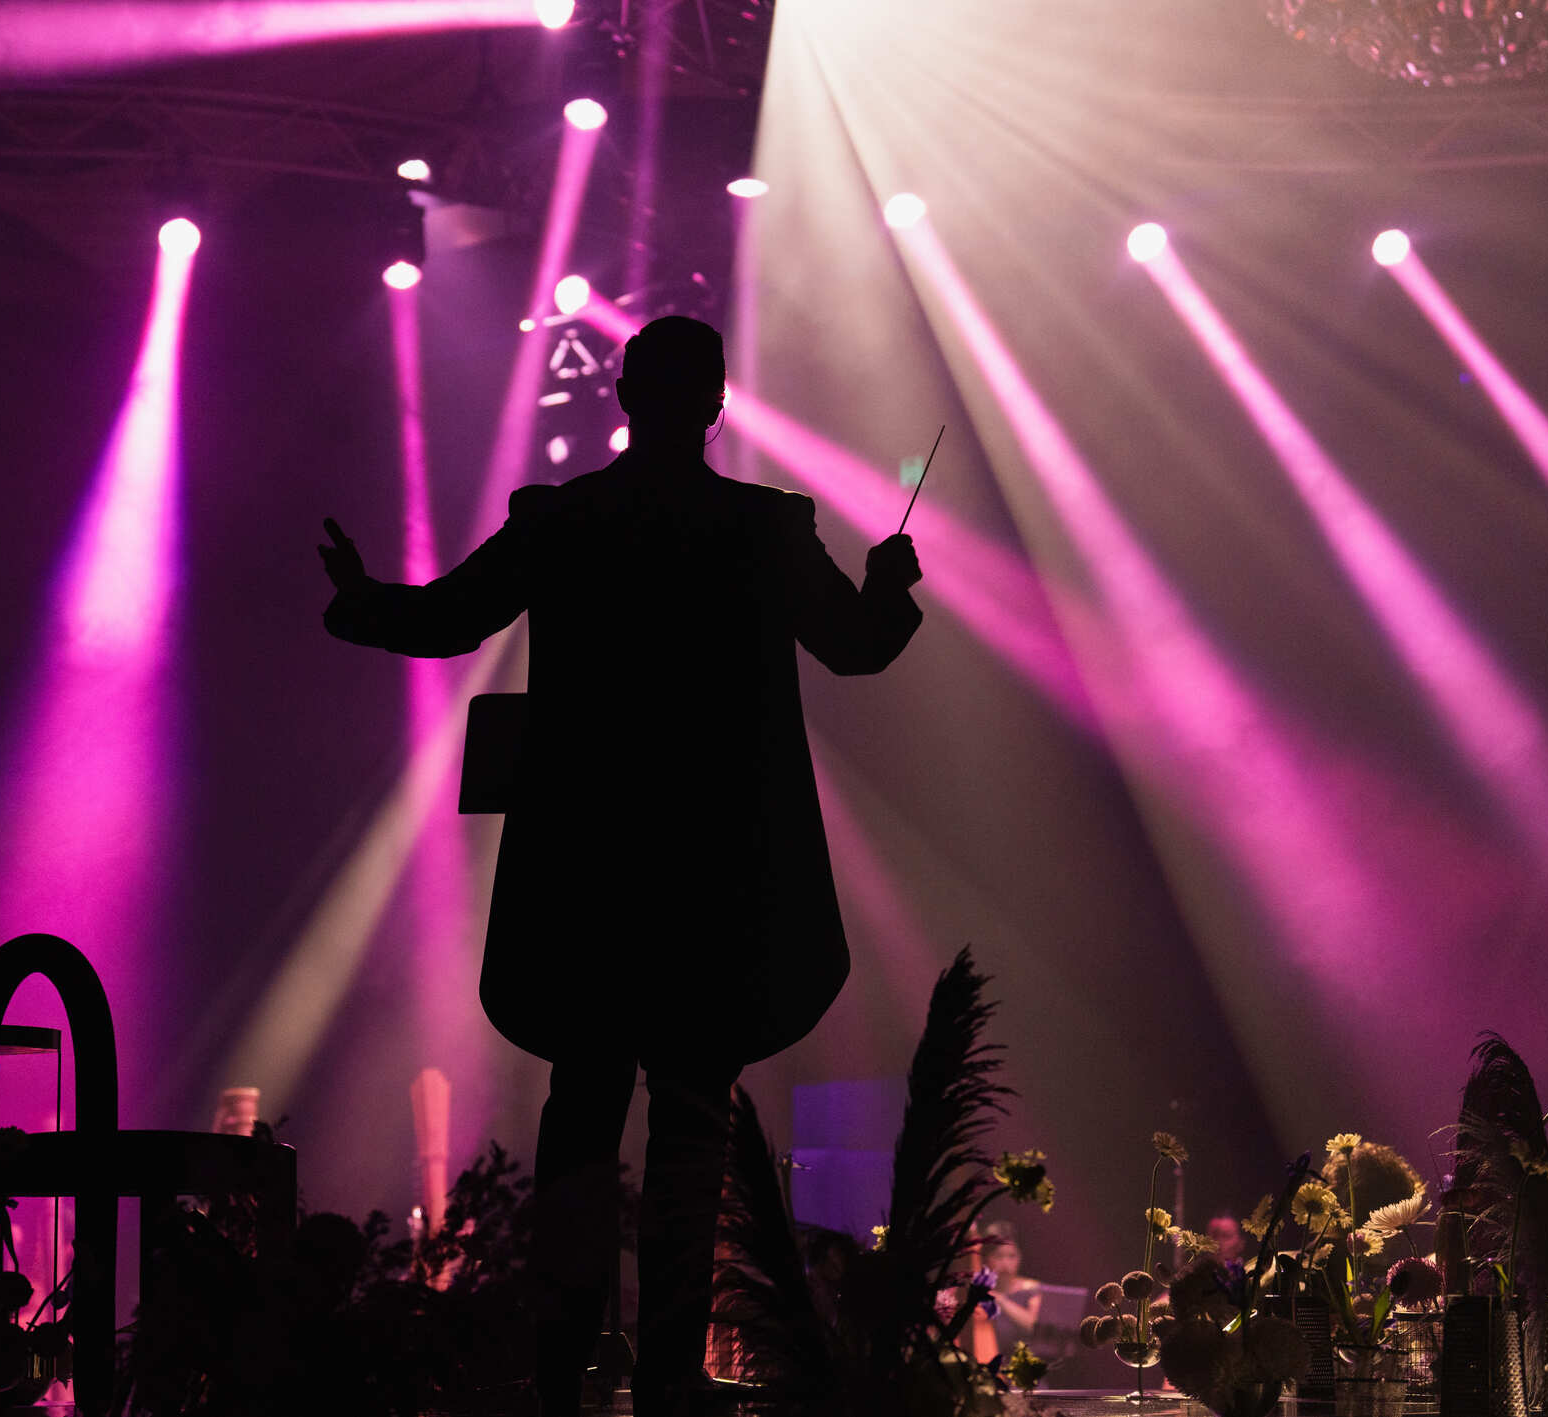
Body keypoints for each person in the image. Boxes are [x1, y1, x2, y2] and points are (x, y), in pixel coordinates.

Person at [317, 315, 924, 1417]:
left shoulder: (565, 521)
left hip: (584, 883)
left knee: (580, 1120)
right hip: (714, 885)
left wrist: (361, 602)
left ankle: (558, 1374)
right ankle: (665, 1370)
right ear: (715, 404)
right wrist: (889, 582)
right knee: (692, 1122)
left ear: (625, 399)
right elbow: (857, 645)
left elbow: (449, 618)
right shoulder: (761, 529)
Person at [979, 1230, 1043, 1358]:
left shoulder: (1031, 1288)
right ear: (985, 1261)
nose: (1005, 1263)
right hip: (990, 1359)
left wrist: (1001, 1300)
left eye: (1011, 1256)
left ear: (1019, 1259)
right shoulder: (978, 1291)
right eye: (998, 1256)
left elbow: (1034, 1325)